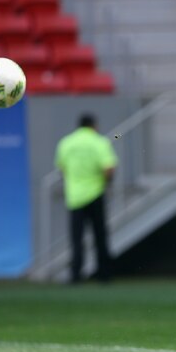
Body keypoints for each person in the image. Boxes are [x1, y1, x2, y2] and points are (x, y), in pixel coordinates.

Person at [55, 114, 118, 284]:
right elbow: (109, 168)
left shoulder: (66, 142)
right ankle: (104, 274)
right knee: (100, 236)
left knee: (76, 238)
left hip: (74, 196)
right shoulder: (99, 142)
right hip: (95, 193)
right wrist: (106, 183)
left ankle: (76, 274)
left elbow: (62, 168)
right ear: (94, 125)